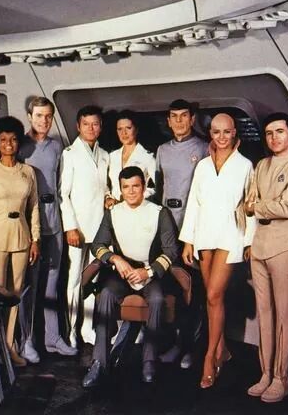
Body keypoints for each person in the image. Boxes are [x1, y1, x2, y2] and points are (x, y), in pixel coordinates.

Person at [82, 166, 179, 388]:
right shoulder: (113, 212)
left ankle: (149, 362)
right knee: (106, 294)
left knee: (156, 300)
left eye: (136, 186)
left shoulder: (159, 212)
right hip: (122, 274)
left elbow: (171, 250)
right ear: (120, 189)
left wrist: (149, 271)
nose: (131, 191)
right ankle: (99, 362)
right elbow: (97, 245)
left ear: (143, 187)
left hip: (150, 273)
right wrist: (115, 259)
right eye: (126, 187)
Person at [179, 113, 255, 388]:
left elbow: (251, 206)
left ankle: (210, 358)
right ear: (210, 133)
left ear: (234, 133)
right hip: (204, 236)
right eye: (216, 132)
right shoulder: (202, 166)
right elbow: (194, 203)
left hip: (230, 236)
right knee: (211, 299)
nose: (221, 137)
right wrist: (188, 240)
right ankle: (223, 349)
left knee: (214, 295)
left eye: (226, 132)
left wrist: (249, 241)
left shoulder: (245, 165)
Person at [244, 113, 288, 403]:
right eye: (269, 133)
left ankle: (281, 377)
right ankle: (266, 374)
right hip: (259, 244)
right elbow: (247, 202)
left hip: (286, 245)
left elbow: (287, 207)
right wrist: (257, 206)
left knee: (284, 315)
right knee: (265, 314)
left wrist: (257, 207)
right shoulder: (262, 165)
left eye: (280, 132)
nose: (274, 138)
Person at [0, 116, 40, 372]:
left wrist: (35, 240)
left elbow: (34, 208)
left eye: (13, 139)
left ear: (18, 143)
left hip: (22, 238)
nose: (9, 144)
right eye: (3, 140)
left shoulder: (28, 172)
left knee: (15, 295)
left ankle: (9, 346)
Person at [18, 97, 76, 362]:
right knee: (30, 286)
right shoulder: (20, 146)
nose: (44, 120)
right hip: (30, 226)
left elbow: (62, 186)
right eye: (39, 115)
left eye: (48, 116)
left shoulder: (57, 147)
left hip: (54, 223)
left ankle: (53, 339)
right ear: (30, 117)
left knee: (52, 283)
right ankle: (27, 341)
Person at [155, 99, 208, 367]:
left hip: (193, 231)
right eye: (174, 116)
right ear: (168, 121)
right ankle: (175, 344)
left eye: (183, 116)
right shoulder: (162, 150)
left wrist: (195, 233)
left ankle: (192, 348)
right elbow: (158, 189)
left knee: (194, 291)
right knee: (172, 290)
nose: (178, 121)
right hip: (168, 230)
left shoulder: (203, 148)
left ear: (192, 119)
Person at [59, 105, 110, 348]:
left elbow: (104, 188)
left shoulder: (105, 155)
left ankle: (86, 329)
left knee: (92, 280)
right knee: (74, 281)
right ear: (78, 126)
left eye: (95, 124)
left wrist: (109, 197)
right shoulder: (70, 154)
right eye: (86, 124)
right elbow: (63, 194)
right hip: (77, 229)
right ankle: (70, 331)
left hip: (99, 228)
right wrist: (70, 227)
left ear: (100, 127)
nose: (91, 128)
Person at [106, 110, 156, 204]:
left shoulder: (147, 157)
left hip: (138, 207)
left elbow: (158, 187)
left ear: (136, 130)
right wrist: (108, 197)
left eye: (128, 128)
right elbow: (106, 185)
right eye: (120, 129)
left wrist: (140, 197)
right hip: (115, 208)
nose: (124, 133)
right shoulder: (112, 156)